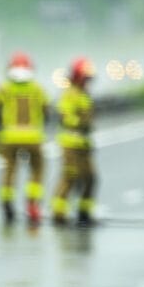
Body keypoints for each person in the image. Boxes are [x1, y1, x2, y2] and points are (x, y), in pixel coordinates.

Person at [0, 52, 50, 226]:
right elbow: (46, 110)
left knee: (9, 170)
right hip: (33, 137)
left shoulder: (4, 88)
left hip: (9, 137)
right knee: (37, 170)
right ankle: (32, 204)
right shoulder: (36, 88)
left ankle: (7, 203)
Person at [51, 57, 98, 226]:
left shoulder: (84, 95)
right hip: (70, 144)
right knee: (70, 177)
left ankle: (84, 212)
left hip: (84, 144)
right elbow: (64, 115)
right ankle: (58, 213)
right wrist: (80, 123)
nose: (88, 81)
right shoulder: (69, 94)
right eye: (86, 78)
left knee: (90, 178)